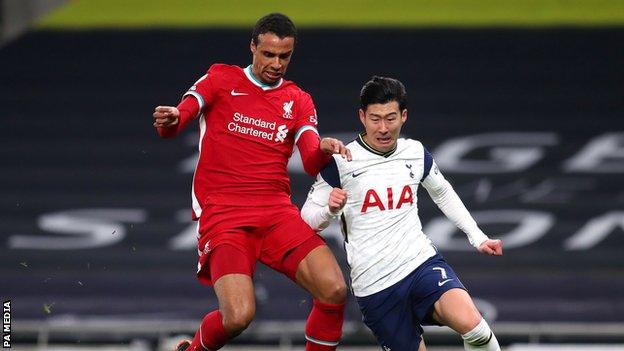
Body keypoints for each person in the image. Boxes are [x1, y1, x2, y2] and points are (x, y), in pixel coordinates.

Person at [153, 13, 350, 351]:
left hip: (275, 213)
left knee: (334, 289)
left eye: (284, 56)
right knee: (239, 317)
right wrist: (172, 118)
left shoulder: (298, 100)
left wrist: (325, 149)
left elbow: (309, 158)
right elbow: (177, 119)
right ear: (253, 47)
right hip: (224, 215)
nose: (276, 63)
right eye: (269, 54)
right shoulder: (220, 78)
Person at [301, 76, 503, 351]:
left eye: (390, 118)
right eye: (375, 119)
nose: (383, 128)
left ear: (404, 116)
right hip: (375, 287)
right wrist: (329, 210)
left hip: (419, 264)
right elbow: (306, 220)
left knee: (476, 328)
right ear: (362, 116)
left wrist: (477, 237)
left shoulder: (415, 153)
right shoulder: (341, 161)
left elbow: (442, 192)